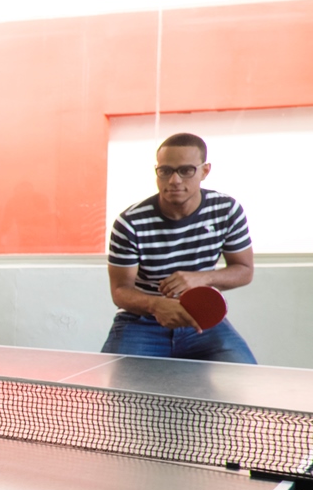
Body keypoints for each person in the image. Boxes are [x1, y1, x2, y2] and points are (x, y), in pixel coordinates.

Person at [101, 132, 256, 363]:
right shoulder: (130, 222)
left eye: (186, 170)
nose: (174, 180)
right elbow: (120, 291)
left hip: (201, 320)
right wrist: (156, 305)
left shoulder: (227, 211)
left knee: (246, 378)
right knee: (113, 384)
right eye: (165, 171)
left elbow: (244, 271)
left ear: (204, 171)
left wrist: (201, 278)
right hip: (141, 322)